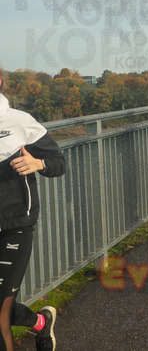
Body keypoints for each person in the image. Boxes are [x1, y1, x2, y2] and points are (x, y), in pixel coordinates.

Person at [0, 68, 65, 350]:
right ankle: (41, 323)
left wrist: (37, 164)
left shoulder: (19, 121)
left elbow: (59, 163)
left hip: (14, 226)